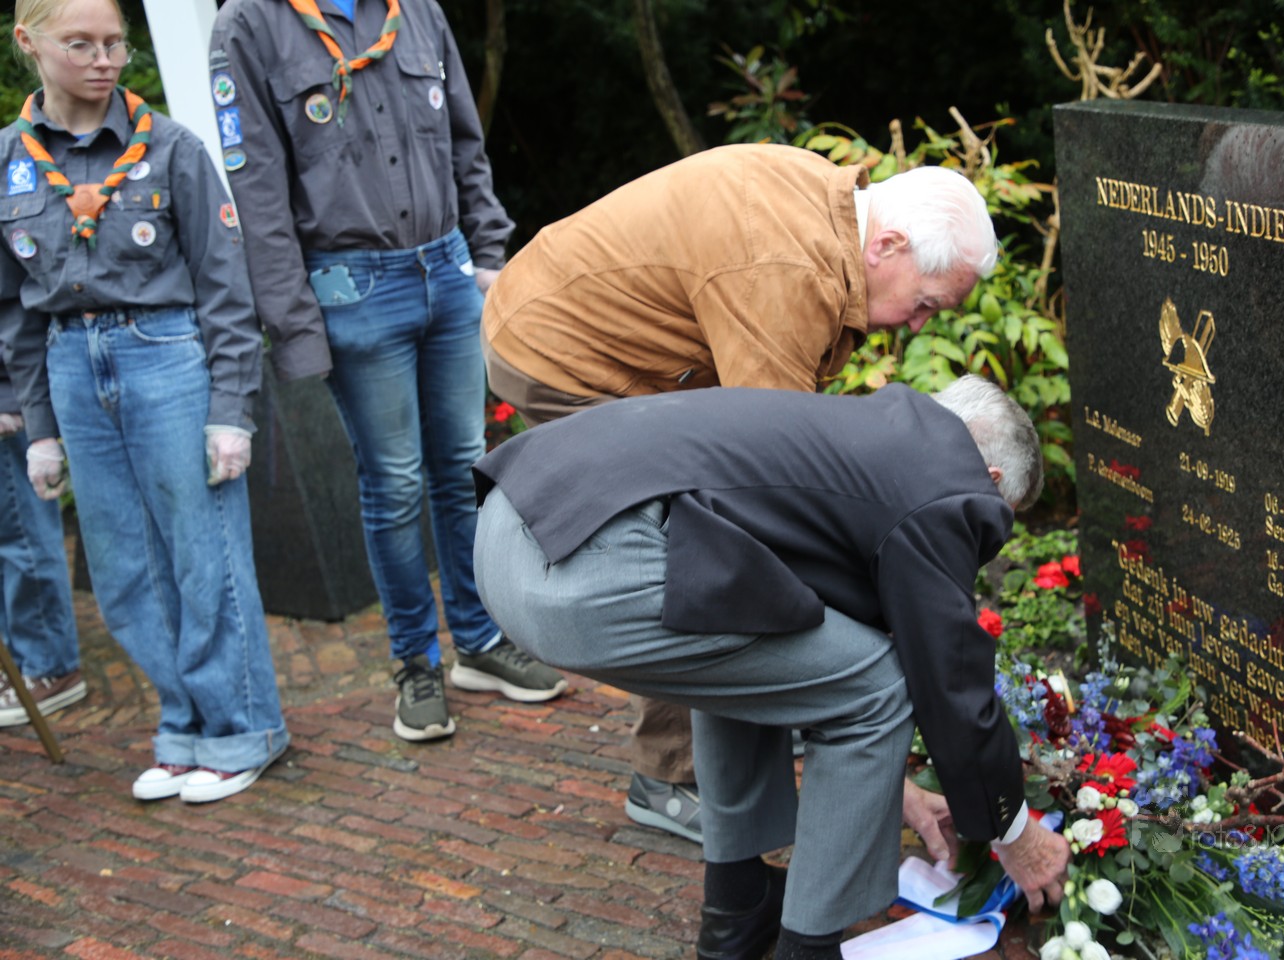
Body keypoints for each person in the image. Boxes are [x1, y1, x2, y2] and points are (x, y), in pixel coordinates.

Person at [482, 142, 996, 841]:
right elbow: (765, 501)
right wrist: (860, 722)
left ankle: (746, 732)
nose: (917, 325)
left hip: (582, 321)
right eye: (925, 303)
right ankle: (668, 776)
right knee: (687, 536)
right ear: (889, 246)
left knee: (721, 539)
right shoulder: (784, 276)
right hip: (559, 349)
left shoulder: (834, 218)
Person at [472, 376, 1072, 960]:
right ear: (991, 478)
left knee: (751, 612)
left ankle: (738, 907)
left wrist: (893, 783)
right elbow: (952, 685)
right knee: (880, 689)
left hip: (513, 526)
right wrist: (1017, 836)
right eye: (1000, 517)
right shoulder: (945, 482)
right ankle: (807, 950)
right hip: (579, 569)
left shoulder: (870, 437)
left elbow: (800, 646)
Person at [210, 0, 566, 744]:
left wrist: (488, 253)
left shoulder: (416, 9)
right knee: (395, 484)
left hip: (446, 269)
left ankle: (479, 641)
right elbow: (259, 194)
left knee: (466, 468)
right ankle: (415, 663)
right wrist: (296, 326)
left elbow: (465, 142)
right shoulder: (249, 25)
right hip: (352, 287)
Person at [0, 0, 288, 802]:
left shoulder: (171, 148)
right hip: (68, 363)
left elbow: (226, 286)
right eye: (80, 44)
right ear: (28, 43)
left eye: (114, 43)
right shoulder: (8, 162)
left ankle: (243, 730)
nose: (104, 59)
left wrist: (231, 409)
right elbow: (12, 309)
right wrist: (40, 429)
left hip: (165, 356)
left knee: (203, 555)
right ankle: (184, 727)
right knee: (125, 567)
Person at [0, 356, 86, 727]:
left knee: (22, 538)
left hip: (10, 404)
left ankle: (50, 667)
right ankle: (19, 666)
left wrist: (7, 397)